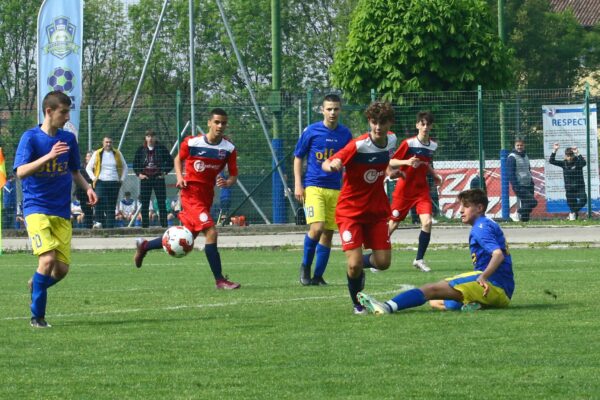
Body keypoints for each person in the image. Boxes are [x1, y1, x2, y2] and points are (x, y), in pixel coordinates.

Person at [13, 90, 98, 328]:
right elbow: (20, 172)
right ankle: (37, 317)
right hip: (36, 207)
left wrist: (88, 188)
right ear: (49, 111)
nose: (67, 116)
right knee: (47, 259)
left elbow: (74, 171)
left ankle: (36, 284)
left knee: (61, 270)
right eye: (64, 111)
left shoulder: (68, 139)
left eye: (69, 111)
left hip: (61, 210)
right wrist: (48, 156)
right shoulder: (30, 138)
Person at [357, 188, 514, 315]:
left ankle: (386, 307)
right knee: (437, 302)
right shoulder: (486, 224)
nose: (461, 211)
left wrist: (483, 277)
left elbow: (498, 254)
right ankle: (472, 304)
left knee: (431, 289)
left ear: (479, 208)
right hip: (503, 292)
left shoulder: (480, 227)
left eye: (465, 206)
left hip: (494, 285)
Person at [133, 108, 241, 290]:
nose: (220, 126)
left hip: (207, 195)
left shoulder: (228, 148)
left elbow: (234, 174)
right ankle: (220, 280)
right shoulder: (193, 142)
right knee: (212, 232)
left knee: (187, 236)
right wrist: (180, 177)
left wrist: (227, 182)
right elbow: (177, 159)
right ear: (209, 123)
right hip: (190, 194)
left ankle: (145, 246)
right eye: (216, 122)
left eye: (223, 123)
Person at [321, 101, 399, 315]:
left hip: (375, 211)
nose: (378, 127)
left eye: (382, 122)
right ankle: (357, 304)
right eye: (374, 122)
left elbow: (383, 163)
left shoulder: (391, 140)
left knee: (383, 263)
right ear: (369, 122)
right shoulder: (358, 145)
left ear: (390, 123)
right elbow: (326, 163)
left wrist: (391, 172)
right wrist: (333, 165)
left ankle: (355, 266)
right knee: (354, 265)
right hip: (350, 212)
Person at [294, 94, 353, 286]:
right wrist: (298, 184)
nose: (333, 112)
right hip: (314, 187)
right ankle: (305, 267)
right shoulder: (311, 131)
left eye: (336, 109)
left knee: (328, 232)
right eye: (329, 109)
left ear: (340, 110)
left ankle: (318, 276)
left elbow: (350, 160)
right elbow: (298, 157)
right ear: (322, 110)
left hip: (336, 189)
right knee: (317, 227)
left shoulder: (345, 134)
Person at [388, 111, 442, 272]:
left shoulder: (433, 145)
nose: (425, 127)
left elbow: (425, 163)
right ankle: (376, 253)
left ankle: (419, 259)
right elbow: (391, 161)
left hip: (421, 191)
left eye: (428, 124)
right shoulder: (409, 143)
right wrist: (407, 161)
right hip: (404, 190)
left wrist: (434, 175)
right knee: (393, 224)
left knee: (427, 222)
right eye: (422, 124)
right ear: (417, 125)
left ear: (431, 126)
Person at [133, 129, 173, 228]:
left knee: (161, 202)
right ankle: (145, 226)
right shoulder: (141, 149)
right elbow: (135, 164)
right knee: (145, 203)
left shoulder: (161, 148)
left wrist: (164, 172)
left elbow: (170, 162)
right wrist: (139, 174)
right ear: (146, 138)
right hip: (146, 179)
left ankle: (164, 225)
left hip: (158, 178)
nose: (150, 139)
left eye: (152, 136)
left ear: (155, 138)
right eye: (148, 136)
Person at [86, 136, 128, 228]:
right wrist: (94, 178)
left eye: (110, 142)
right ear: (103, 143)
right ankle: (98, 222)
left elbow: (125, 167)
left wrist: (121, 179)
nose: (108, 144)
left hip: (114, 182)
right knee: (99, 202)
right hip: (101, 182)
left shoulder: (117, 153)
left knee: (111, 206)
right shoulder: (97, 153)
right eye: (106, 142)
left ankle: (110, 227)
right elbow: (88, 168)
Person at [549, 142, 587, 220]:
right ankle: (573, 216)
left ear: (573, 155)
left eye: (571, 155)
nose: (569, 157)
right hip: (569, 188)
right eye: (568, 155)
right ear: (565, 156)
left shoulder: (578, 162)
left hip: (580, 187)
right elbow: (551, 161)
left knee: (583, 200)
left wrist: (577, 153)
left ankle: (571, 213)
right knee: (571, 204)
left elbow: (584, 163)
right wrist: (555, 150)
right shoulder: (564, 163)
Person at [507, 137, 537, 222]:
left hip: (529, 184)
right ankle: (516, 213)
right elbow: (511, 173)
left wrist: (531, 182)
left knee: (527, 207)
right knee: (533, 202)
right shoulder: (512, 157)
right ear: (514, 146)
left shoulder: (525, 155)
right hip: (520, 185)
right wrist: (516, 186)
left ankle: (524, 223)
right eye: (518, 145)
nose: (520, 147)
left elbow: (528, 170)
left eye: (521, 145)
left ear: (524, 145)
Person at [75, 151, 94, 228]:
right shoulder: (82, 168)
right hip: (83, 193)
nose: (90, 157)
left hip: (94, 192)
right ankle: (88, 227)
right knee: (86, 211)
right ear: (86, 158)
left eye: (91, 156)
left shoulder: (96, 168)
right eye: (88, 156)